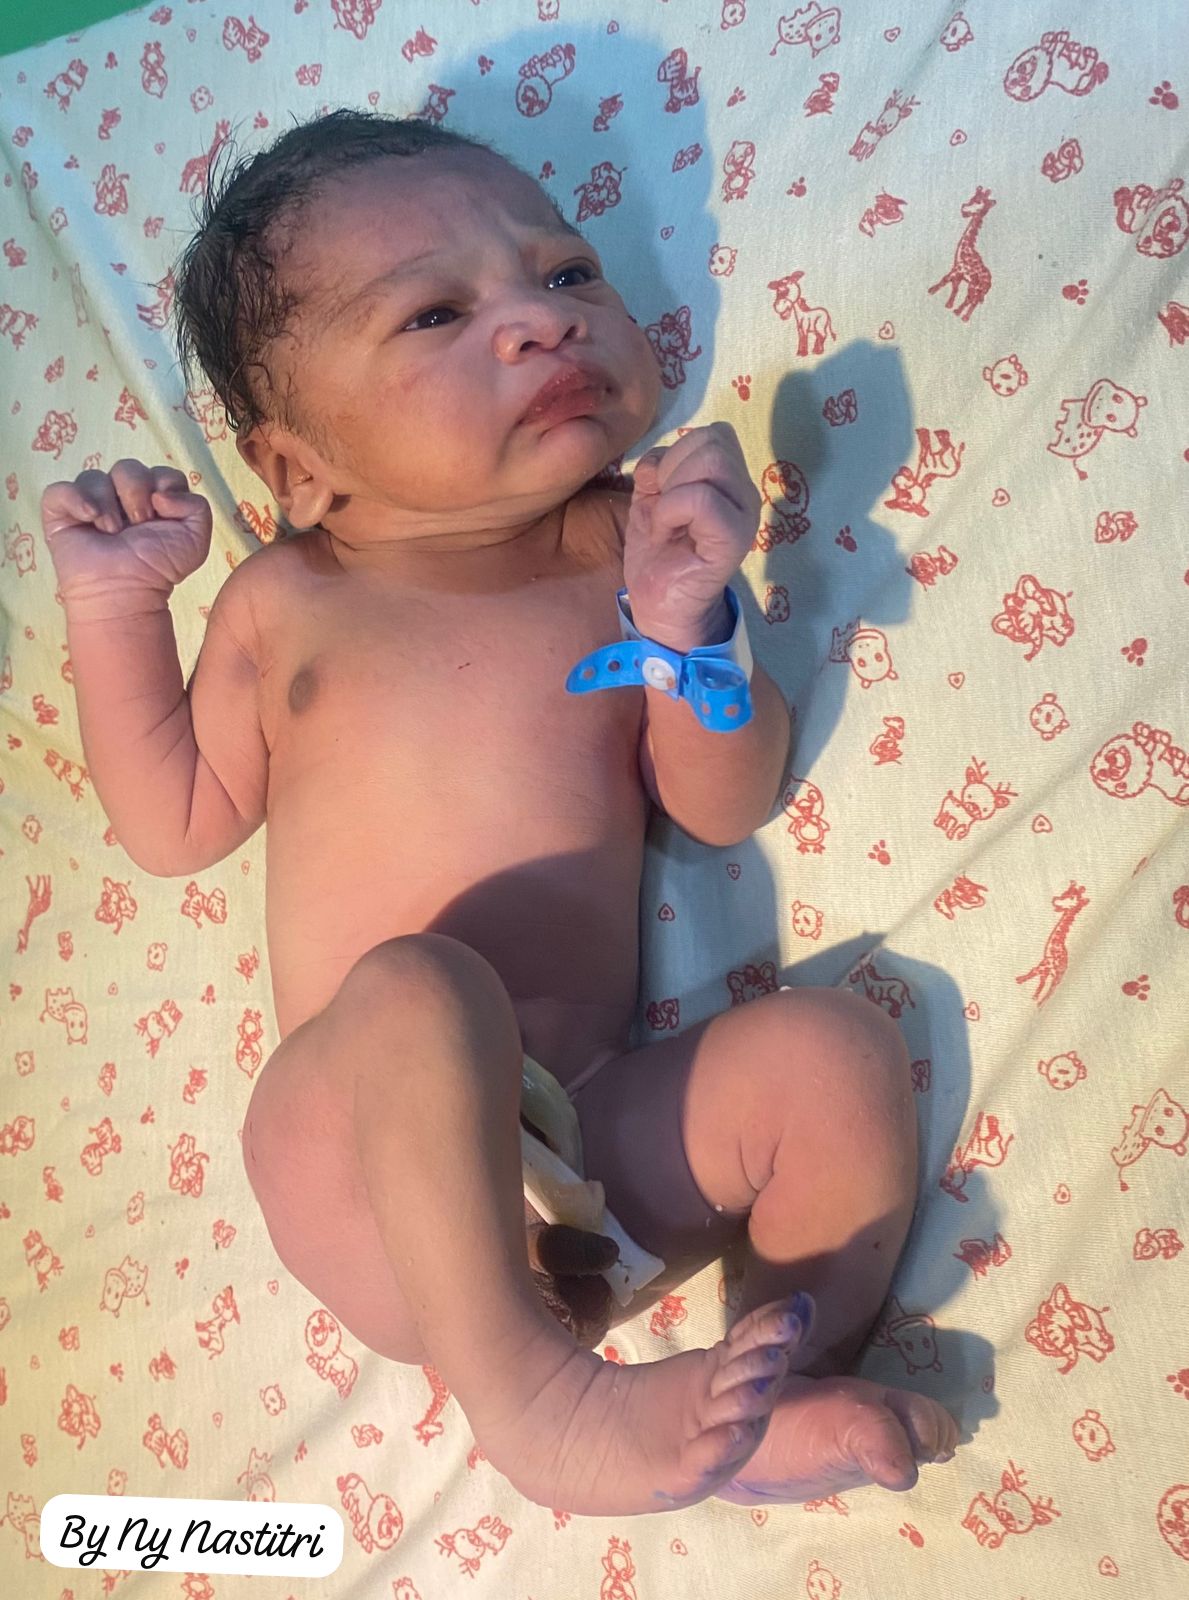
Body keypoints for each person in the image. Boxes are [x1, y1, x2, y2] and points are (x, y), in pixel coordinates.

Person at [40, 110, 957, 1517]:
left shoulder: (625, 551)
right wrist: (115, 610)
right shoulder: (288, 602)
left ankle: (781, 1392)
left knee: (835, 1054)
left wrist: (693, 625)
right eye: (435, 313)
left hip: (590, 1163)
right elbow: (175, 823)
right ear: (296, 471)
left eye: (568, 272)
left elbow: (723, 801)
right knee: (418, 983)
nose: (542, 319)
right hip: (371, 1165)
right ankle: (533, 1398)